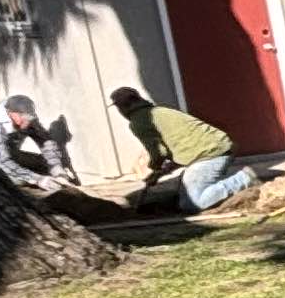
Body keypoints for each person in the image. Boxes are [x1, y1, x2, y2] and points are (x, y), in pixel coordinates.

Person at [109, 85, 262, 213]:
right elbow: (182, 149)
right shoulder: (161, 111)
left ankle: (244, 179)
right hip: (212, 149)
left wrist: (154, 168)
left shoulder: (138, 123)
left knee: (195, 203)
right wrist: (163, 171)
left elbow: (159, 153)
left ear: (121, 107)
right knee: (185, 202)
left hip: (211, 154)